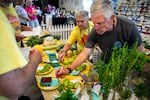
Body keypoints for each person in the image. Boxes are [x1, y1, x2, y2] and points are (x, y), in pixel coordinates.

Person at [56, 0, 143, 77]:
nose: (96, 27)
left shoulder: (129, 27)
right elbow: (84, 54)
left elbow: (139, 52)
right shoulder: (95, 31)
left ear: (112, 18)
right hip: (107, 65)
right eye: (94, 23)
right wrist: (69, 70)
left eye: (99, 23)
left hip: (126, 68)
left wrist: (130, 70)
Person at [0, 0, 43, 99]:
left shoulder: (9, 6)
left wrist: (14, 35)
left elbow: (9, 29)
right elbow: (13, 87)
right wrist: (34, 61)